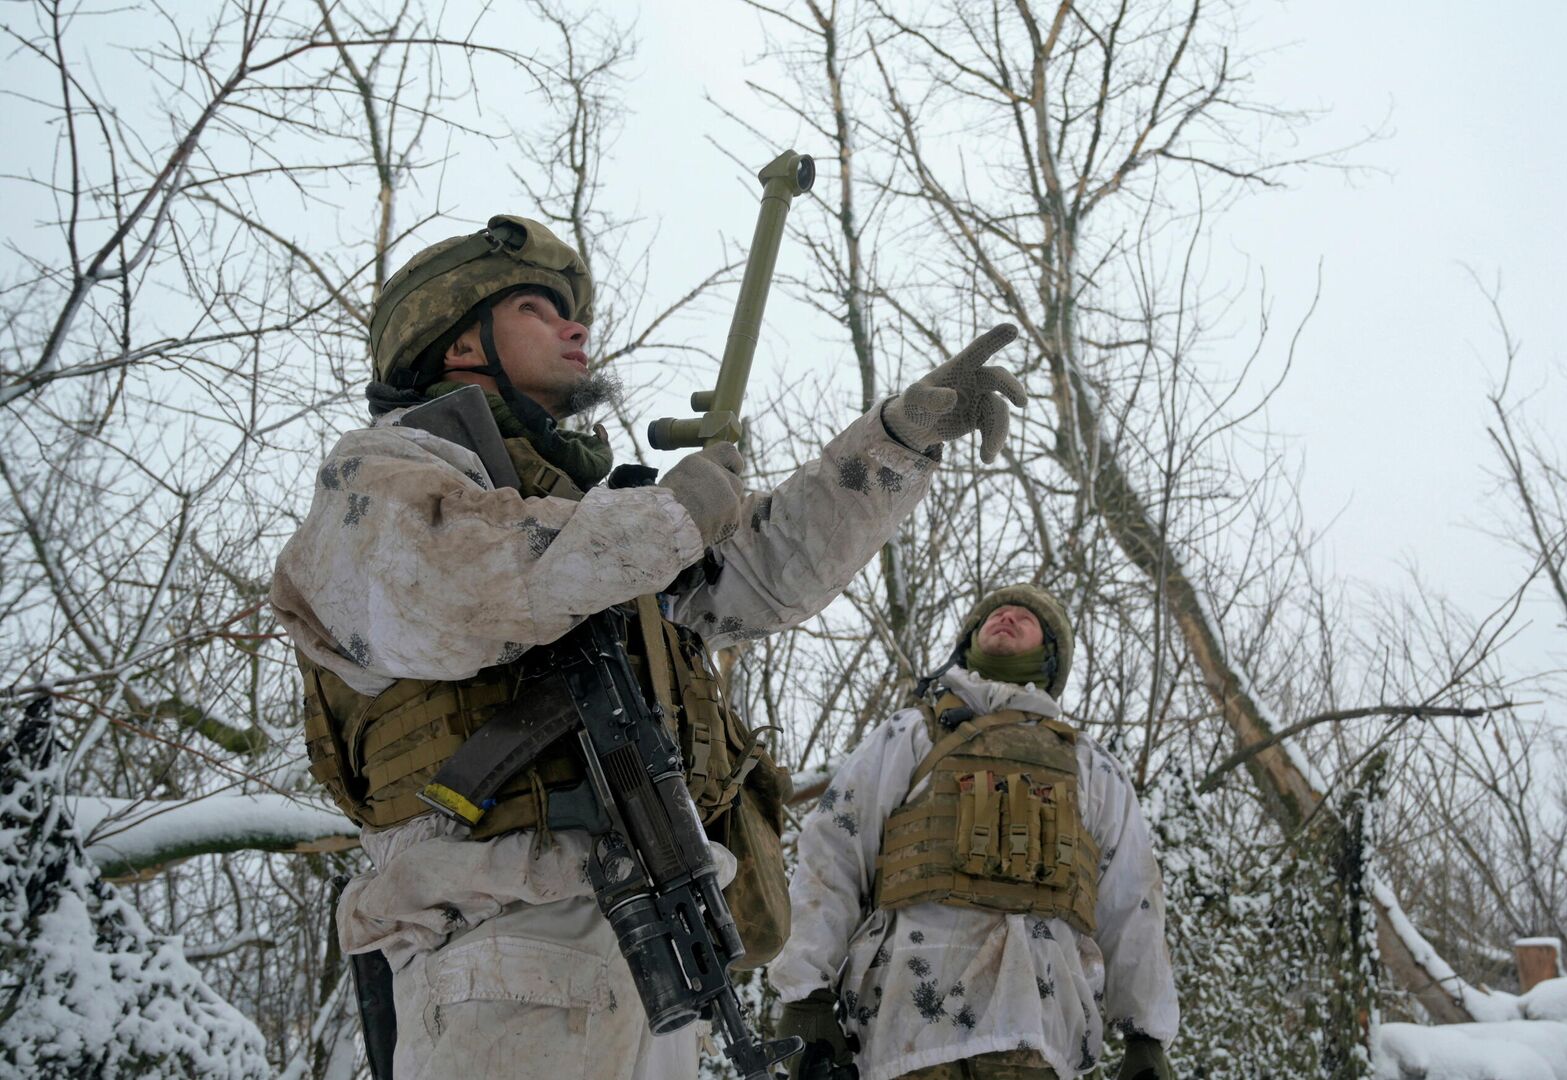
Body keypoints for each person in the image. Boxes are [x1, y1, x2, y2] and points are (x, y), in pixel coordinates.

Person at [270, 214, 1027, 1078]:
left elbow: (762, 573)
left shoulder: (594, 522)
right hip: (494, 944)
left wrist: (897, 439)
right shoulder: (377, 476)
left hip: (651, 952)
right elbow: (438, 584)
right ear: (457, 342)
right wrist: (667, 518)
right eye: (534, 306)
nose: (576, 325)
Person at [769, 585, 1179, 1080]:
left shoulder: (1091, 768)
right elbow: (831, 853)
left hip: (1037, 1036)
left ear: (1051, 658)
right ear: (968, 643)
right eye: (994, 614)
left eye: (1027, 618)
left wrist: (1146, 1036)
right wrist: (805, 993)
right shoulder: (910, 735)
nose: (1006, 615)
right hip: (904, 1031)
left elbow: (1132, 898)